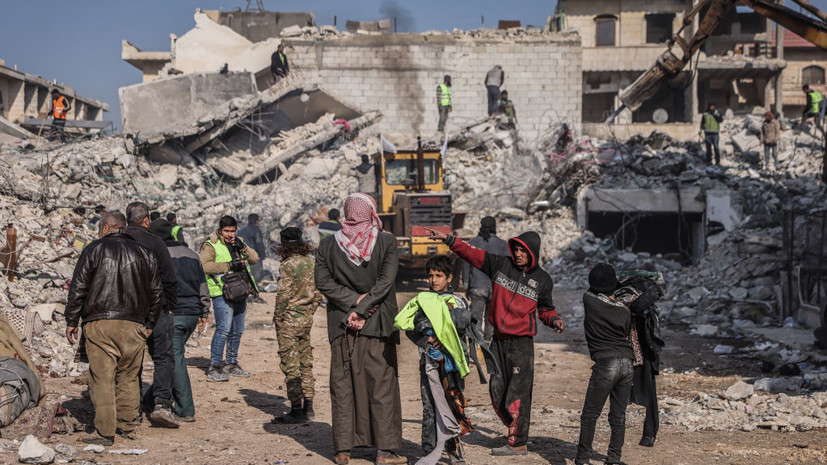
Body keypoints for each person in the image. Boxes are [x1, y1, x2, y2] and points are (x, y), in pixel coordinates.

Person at [427, 227, 565, 456]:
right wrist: (449, 239)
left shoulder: (543, 280)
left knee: (518, 394)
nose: (518, 254)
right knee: (497, 392)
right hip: (498, 341)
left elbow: (546, 309)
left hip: (521, 344)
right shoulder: (501, 265)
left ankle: (518, 443)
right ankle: (515, 428)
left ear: (533, 252)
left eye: (523, 250)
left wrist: (554, 320)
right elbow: (471, 253)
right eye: (516, 249)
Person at [314, 193, 406, 465]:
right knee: (382, 384)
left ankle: (343, 450)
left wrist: (352, 303)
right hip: (378, 324)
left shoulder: (328, 244)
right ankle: (385, 451)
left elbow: (323, 282)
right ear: (371, 212)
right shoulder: (386, 241)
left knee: (343, 384)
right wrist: (364, 306)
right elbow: (385, 282)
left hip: (341, 324)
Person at [64, 211, 163, 445]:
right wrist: (150, 323)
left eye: (100, 228)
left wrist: (72, 320)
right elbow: (157, 292)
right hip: (134, 325)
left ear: (107, 227)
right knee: (129, 376)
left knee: (102, 377)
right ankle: (127, 425)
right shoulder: (144, 252)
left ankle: (104, 431)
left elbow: (78, 287)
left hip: (101, 323)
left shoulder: (94, 249)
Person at [395, 255, 473, 465]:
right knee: (429, 406)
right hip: (428, 361)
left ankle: (454, 450)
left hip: (452, 364)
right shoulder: (422, 301)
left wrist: (445, 338)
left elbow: (462, 326)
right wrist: (427, 339)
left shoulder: (458, 301)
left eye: (439, 276)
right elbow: (410, 328)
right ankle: (429, 450)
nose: (434, 280)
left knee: (453, 402)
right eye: (430, 276)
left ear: (449, 278)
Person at [125, 201, 180, 428]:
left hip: (128, 312)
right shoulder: (156, 242)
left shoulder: (119, 242)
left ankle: (132, 407)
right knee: (163, 357)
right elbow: (169, 278)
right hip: (158, 311)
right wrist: (170, 305)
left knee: (131, 360)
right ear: (147, 220)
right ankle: (162, 404)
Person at [150, 219, 211, 423]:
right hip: (192, 314)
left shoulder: (158, 254)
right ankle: (149, 400)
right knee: (170, 356)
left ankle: (185, 409)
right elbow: (203, 286)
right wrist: (204, 312)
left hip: (173, 313)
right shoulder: (192, 254)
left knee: (173, 358)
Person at [574, 264, 634, 465]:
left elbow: (593, 289)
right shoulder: (625, 311)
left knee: (590, 416)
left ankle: (582, 459)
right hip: (627, 363)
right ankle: (614, 459)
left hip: (606, 364)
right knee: (618, 416)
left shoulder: (589, 300)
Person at [271, 227, 323, 424]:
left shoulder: (287, 265)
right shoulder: (311, 263)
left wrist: (278, 318)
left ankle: (296, 409)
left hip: (289, 322)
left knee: (291, 365)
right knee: (305, 362)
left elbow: (283, 295)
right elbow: (318, 293)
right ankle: (309, 406)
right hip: (306, 319)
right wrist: (309, 311)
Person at [201, 215, 260, 381]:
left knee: (237, 330)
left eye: (232, 231)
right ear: (220, 230)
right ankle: (215, 366)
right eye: (226, 231)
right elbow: (205, 266)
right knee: (223, 330)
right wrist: (228, 266)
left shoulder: (239, 242)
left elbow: (254, 259)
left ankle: (231, 363)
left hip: (240, 290)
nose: (230, 234)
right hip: (222, 292)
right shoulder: (211, 244)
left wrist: (243, 247)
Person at [613, 271, 665, 448]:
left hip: (635, 351)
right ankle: (644, 435)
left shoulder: (624, 300)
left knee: (622, 395)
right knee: (626, 393)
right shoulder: (629, 300)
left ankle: (646, 435)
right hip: (633, 351)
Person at [461, 216, 508, 346]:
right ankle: (488, 344)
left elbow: (466, 265)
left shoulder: (473, 242)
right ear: (494, 227)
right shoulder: (503, 245)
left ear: (481, 226)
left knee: (475, 317)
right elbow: (508, 269)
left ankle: (476, 345)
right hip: (496, 288)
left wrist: (466, 285)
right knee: (491, 318)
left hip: (477, 286)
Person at [238, 213, 267, 303]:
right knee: (255, 277)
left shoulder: (241, 231)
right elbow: (259, 244)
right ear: (257, 221)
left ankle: (244, 296)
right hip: (253, 257)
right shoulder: (256, 231)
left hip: (242, 256)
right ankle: (255, 297)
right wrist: (262, 255)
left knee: (244, 276)